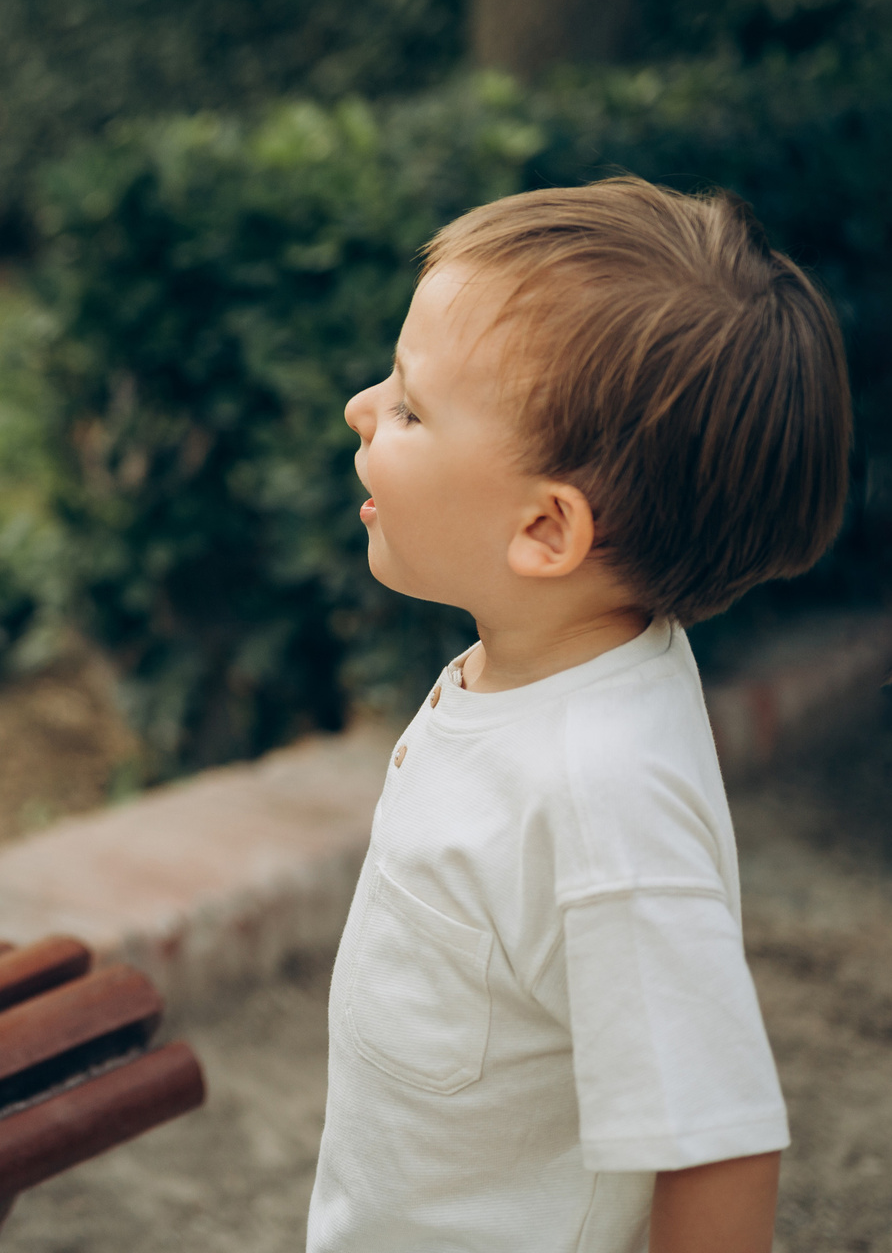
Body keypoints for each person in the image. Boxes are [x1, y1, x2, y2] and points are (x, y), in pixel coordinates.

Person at [313, 178, 850, 1253]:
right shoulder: (540, 661)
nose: (359, 409)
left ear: (545, 532)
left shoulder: (604, 796)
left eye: (410, 408)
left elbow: (716, 1140)